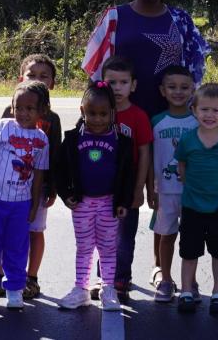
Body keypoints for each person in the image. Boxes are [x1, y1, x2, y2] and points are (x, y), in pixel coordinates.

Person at [82, 0, 211, 117]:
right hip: (119, 117)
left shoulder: (181, 20)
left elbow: (195, 72)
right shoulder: (114, 17)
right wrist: (89, 113)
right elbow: (95, 72)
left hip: (169, 119)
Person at [53, 81, 135, 312]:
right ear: (82, 111)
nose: (97, 119)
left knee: (108, 248)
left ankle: (108, 288)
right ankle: (81, 289)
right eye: (91, 113)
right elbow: (59, 169)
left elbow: (128, 174)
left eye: (102, 114)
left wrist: (123, 202)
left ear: (112, 112)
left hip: (109, 203)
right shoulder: (72, 139)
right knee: (84, 246)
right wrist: (66, 194)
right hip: (83, 203)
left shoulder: (121, 141)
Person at [0, 81, 51, 311]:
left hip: (21, 205)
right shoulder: (3, 127)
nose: (23, 113)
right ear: (12, 107)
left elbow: (38, 175)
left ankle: (15, 290)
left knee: (16, 248)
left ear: (42, 110)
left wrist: (35, 204)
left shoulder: (42, 140)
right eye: (19, 107)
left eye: (30, 108)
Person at [0, 54, 64, 300]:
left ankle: (31, 278)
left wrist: (53, 187)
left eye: (44, 76)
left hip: (38, 187)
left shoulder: (52, 119)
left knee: (35, 231)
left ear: (53, 84)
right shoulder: (9, 111)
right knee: (7, 231)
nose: (38, 79)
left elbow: (55, 154)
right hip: (9, 186)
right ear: (20, 79)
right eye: (31, 75)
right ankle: (0, 277)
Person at [173, 82, 218, 315]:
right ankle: (186, 292)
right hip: (192, 205)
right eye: (204, 109)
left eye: (215, 110)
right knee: (189, 252)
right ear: (194, 110)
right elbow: (182, 167)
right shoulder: (188, 140)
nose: (209, 115)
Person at [100, 56, 153, 303]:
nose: (117, 87)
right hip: (101, 184)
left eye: (123, 82)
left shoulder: (138, 116)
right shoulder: (97, 112)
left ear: (133, 85)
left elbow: (144, 152)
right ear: (102, 83)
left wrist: (140, 187)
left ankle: (121, 278)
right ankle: (103, 278)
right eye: (112, 82)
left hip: (128, 183)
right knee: (102, 233)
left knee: (124, 235)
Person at [148, 65, 198, 302]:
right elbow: (149, 158)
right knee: (166, 236)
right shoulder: (156, 121)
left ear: (193, 89)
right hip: (165, 191)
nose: (178, 92)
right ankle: (165, 279)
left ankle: (190, 281)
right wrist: (151, 188)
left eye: (184, 87)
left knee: (191, 238)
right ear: (162, 90)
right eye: (172, 87)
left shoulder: (198, 121)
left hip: (192, 192)